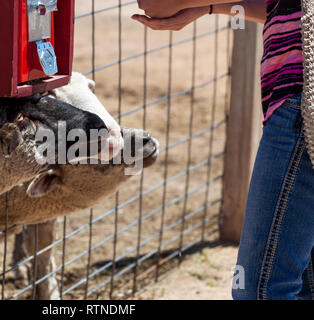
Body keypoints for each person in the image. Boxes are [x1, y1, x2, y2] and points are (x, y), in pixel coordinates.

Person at [132, 0, 313, 300]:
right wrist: (211, 7)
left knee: (260, 288)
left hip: (300, 103)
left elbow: (155, 4)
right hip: (299, 102)